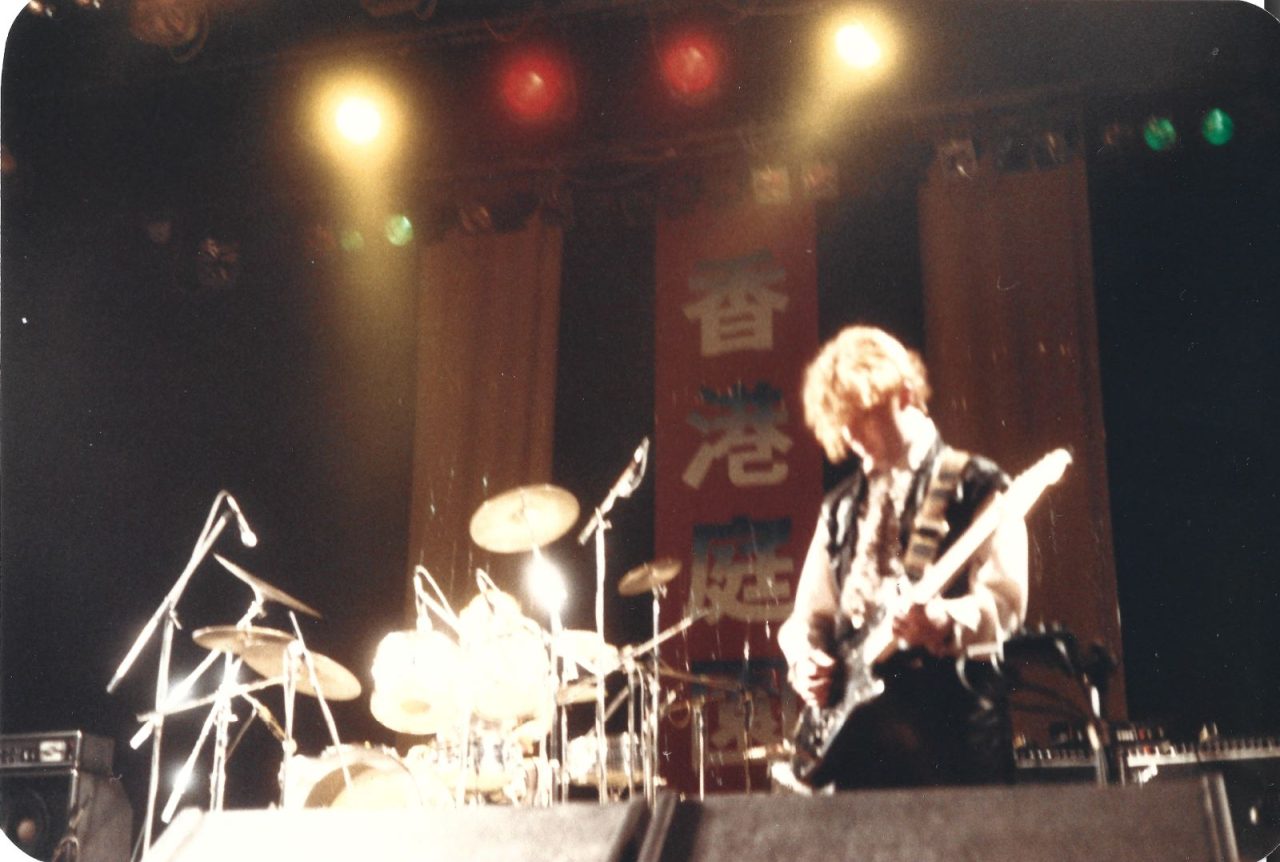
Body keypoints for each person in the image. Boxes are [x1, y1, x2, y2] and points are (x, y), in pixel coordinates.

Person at [778, 325, 1028, 789]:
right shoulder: (839, 508)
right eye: (842, 419)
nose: (851, 432)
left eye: (863, 413)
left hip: (954, 745)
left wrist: (944, 620)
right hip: (859, 753)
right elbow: (807, 618)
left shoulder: (978, 482)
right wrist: (805, 660)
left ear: (906, 394)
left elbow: (1006, 604)